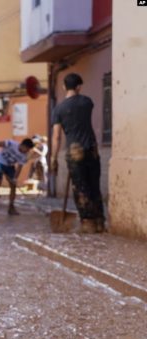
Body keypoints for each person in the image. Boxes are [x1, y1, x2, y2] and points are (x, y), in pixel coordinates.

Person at [50, 73, 105, 233]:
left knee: (80, 187)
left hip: (74, 151)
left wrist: (54, 158)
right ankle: (100, 221)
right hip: (92, 149)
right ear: (79, 86)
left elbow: (56, 136)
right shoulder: (87, 102)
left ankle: (87, 223)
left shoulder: (58, 109)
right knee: (94, 185)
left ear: (63, 87)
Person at [0, 138, 34, 216]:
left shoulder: (24, 156)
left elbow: (19, 167)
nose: (27, 151)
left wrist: (15, 178)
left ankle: (11, 207)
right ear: (23, 145)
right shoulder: (10, 143)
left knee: (13, 186)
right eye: (27, 149)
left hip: (10, 166)